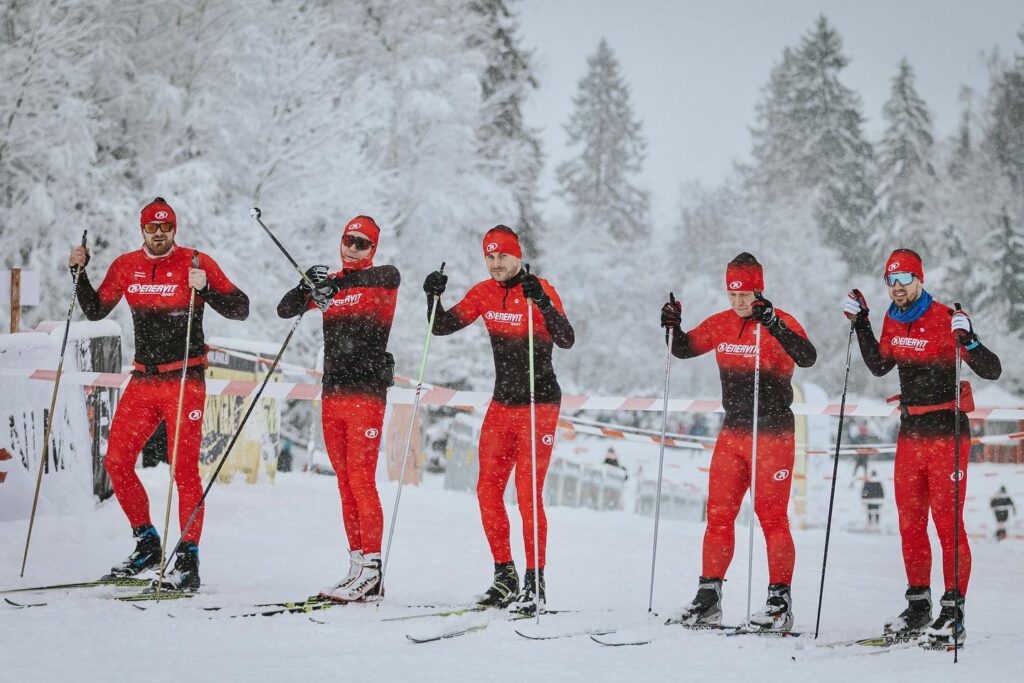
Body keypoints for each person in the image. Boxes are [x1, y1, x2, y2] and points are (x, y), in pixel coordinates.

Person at [69, 197, 249, 591]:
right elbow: (96, 310)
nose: (160, 234)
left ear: (175, 230)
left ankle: (188, 558)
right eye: (153, 227)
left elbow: (241, 308)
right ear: (143, 231)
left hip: (185, 377)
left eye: (166, 227)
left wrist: (207, 292)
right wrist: (78, 273)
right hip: (143, 380)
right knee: (116, 461)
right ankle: (147, 543)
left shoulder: (197, 262)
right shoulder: (126, 265)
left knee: (183, 470)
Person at [844, 248, 1001, 646]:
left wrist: (972, 339)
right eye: (890, 281)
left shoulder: (947, 318)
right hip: (911, 430)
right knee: (910, 523)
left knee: (947, 523)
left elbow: (992, 369)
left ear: (920, 279)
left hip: (947, 428)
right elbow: (881, 366)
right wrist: (862, 324)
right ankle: (918, 605)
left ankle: (953, 610)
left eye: (904, 280)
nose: (897, 288)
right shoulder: (892, 319)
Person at [660, 253, 816, 631]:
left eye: (745, 293)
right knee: (718, 516)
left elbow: (808, 357)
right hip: (733, 434)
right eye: (732, 294)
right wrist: (672, 327)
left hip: (773, 433)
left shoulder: (780, 322)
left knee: (772, 518)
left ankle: (779, 603)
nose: (739, 302)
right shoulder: (722, 323)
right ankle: (708, 599)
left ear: (758, 289)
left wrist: (774, 323)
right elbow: (683, 349)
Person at [423, 225, 574, 614]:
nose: (495, 263)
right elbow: (440, 326)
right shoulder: (483, 293)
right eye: (489, 257)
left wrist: (542, 302)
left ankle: (535, 582)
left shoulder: (540, 288)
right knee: (487, 491)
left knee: (527, 496)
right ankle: (504, 576)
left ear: (517, 255)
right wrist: (431, 296)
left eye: (502, 256)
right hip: (502, 403)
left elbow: (567, 338)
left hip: (539, 404)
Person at [277, 216, 399, 602]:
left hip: (366, 396)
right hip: (333, 395)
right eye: (349, 240)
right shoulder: (328, 288)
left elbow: (391, 275)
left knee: (362, 481)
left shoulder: (379, 282)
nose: (353, 247)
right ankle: (357, 564)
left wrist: (336, 282)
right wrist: (306, 286)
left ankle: (374, 570)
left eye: (362, 243)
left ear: (373, 248)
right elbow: (285, 309)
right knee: (345, 484)